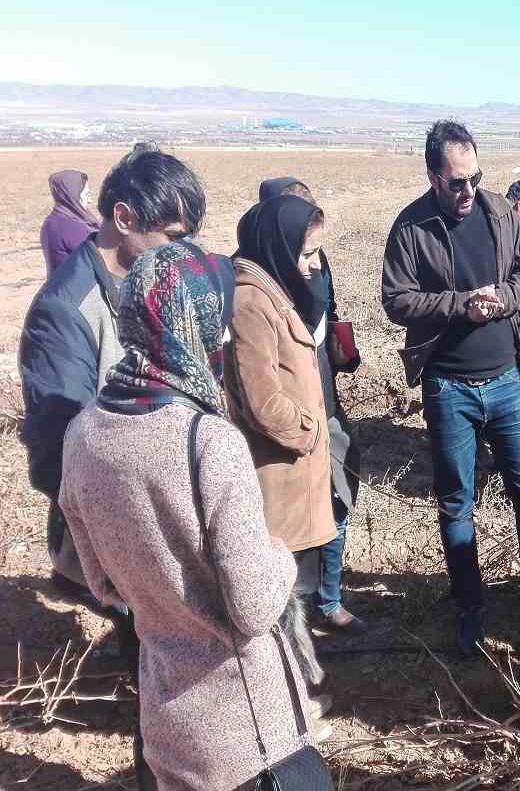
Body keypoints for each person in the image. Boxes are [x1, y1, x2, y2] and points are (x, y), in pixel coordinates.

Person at [59, 241, 320, 791]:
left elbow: (102, 582)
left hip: (167, 727)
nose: (224, 335)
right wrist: (279, 556)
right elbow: (252, 607)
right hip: (249, 738)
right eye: (215, 319)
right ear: (190, 323)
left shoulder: (83, 433)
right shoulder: (207, 441)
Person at [380, 120, 520, 656]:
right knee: (456, 503)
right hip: (448, 387)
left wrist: (504, 300)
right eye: (456, 182)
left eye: (475, 177)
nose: (467, 191)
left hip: (508, 383)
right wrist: (460, 304)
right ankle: (469, 606)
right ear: (432, 177)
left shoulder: (499, 215)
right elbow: (396, 299)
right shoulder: (411, 228)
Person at [21, 148, 204, 599]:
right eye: (173, 236)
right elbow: (59, 454)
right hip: (122, 532)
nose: (182, 252)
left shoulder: (152, 278)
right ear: (123, 218)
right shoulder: (64, 313)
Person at [224, 194, 339, 701]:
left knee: (288, 596)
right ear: (278, 246)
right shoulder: (252, 302)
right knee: (276, 599)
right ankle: (286, 704)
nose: (314, 266)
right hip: (277, 477)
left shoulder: (271, 291)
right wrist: (310, 429)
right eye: (307, 254)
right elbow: (262, 398)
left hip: (293, 476)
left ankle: (294, 693)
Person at [257, 177, 367, 635]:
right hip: (289, 425)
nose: (312, 257)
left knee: (337, 498)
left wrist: (344, 353)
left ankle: (329, 599)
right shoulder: (256, 290)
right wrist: (302, 429)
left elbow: (327, 322)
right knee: (285, 521)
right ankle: (287, 614)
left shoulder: (317, 267)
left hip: (326, 403)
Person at [40, 169, 100, 275]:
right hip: (77, 288)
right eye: (86, 195)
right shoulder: (70, 226)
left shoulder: (52, 220)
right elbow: (101, 256)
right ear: (72, 195)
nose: (89, 200)